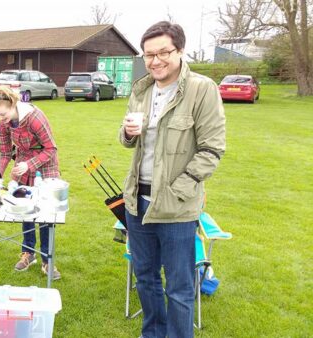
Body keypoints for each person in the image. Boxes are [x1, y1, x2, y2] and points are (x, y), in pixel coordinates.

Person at [119, 21, 225, 338]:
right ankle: (152, 333)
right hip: (137, 202)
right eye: (148, 54)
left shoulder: (202, 89)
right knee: (146, 277)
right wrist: (126, 132)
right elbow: (127, 141)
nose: (155, 61)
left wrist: (178, 191)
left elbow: (212, 149)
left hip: (177, 207)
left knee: (179, 287)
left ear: (179, 50)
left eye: (163, 52)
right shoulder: (142, 90)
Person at [0, 85, 61, 280]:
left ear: (13, 104)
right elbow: (4, 153)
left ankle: (47, 258)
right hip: (23, 164)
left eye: (3, 114)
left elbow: (51, 148)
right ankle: (28, 252)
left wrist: (30, 165)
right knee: (24, 209)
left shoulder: (35, 118)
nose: (1, 119)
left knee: (44, 214)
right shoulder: (4, 124)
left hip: (45, 165)